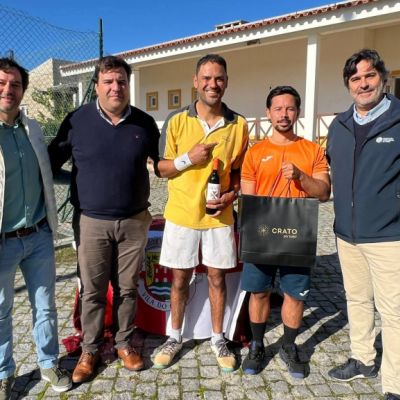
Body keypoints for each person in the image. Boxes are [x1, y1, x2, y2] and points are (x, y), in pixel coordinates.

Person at [48, 56, 160, 383]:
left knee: (127, 288)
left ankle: (124, 343)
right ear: (96, 85)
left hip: (134, 221)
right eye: (108, 81)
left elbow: (162, 163)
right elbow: (50, 163)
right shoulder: (76, 121)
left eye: (121, 81)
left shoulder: (144, 123)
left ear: (128, 85)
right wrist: (76, 183)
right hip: (91, 222)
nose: (115, 87)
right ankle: (90, 350)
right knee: (93, 290)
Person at [153, 54, 249, 372]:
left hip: (219, 217)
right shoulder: (177, 120)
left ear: (226, 82)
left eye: (219, 78)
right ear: (195, 82)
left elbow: (239, 172)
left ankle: (219, 338)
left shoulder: (238, 125)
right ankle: (174, 337)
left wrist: (232, 194)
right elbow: (162, 168)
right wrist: (188, 158)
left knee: (218, 278)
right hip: (181, 214)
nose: (213, 84)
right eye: (206, 78)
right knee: (180, 279)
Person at [240, 86, 331, 376]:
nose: (284, 114)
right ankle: (257, 345)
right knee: (259, 293)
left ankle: (289, 346)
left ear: (298, 112)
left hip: (297, 234)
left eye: (290, 108)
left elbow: (324, 193)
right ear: (268, 113)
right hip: (262, 234)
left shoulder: (313, 150)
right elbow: (249, 199)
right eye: (277, 108)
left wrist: (302, 176)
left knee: (295, 295)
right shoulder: (255, 152)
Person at [326, 49, 400, 400]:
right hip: (347, 233)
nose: (363, 83)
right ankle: (363, 359)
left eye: (369, 75)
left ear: (382, 77)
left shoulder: (398, 119)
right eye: (355, 78)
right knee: (356, 299)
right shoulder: (339, 125)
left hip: (389, 234)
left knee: (393, 312)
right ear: (348, 85)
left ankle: (395, 384)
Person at [0, 58, 72, 399]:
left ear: (23, 90)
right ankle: (4, 373)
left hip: (39, 235)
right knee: (1, 311)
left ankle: (48, 362)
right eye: (2, 83)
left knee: (45, 306)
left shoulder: (33, 128)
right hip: (3, 241)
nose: (8, 90)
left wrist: (80, 180)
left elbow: (47, 171)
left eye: (15, 84)